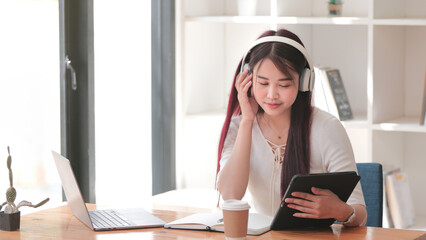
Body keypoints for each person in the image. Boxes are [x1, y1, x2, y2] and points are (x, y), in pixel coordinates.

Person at [216, 28, 367, 227]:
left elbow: (361, 213)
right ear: (248, 81)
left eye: (284, 85)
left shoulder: (326, 128)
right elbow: (230, 195)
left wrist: (339, 210)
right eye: (262, 83)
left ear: (304, 82)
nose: (272, 95)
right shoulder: (240, 127)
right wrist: (247, 121)